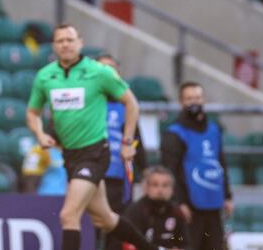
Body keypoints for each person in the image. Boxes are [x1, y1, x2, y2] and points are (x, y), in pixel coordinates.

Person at [26, 24, 156, 250]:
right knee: (104, 219)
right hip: (71, 155)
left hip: (95, 152)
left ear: (80, 43)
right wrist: (40, 133)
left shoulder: (99, 72)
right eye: (60, 41)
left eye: (70, 39)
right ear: (54, 45)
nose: (65, 44)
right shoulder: (45, 76)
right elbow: (32, 112)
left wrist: (127, 143)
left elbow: (131, 103)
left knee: (69, 215)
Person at [161, 81, 232, 250]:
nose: (194, 102)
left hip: (214, 204)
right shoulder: (175, 133)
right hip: (190, 208)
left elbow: (220, 163)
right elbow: (170, 170)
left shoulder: (214, 130)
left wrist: (228, 196)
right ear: (181, 103)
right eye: (189, 98)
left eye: (198, 97)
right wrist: (179, 202)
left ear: (204, 100)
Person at [96, 54, 148, 250]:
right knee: (90, 229)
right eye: (103, 68)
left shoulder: (127, 107)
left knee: (116, 230)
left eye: (112, 69)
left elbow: (137, 141)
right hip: (93, 177)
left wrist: (145, 171)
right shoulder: (87, 105)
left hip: (120, 180)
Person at [122, 166, 188, 250]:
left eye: (165, 185)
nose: (160, 190)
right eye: (155, 185)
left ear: (172, 190)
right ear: (146, 188)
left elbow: (185, 243)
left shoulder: (177, 212)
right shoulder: (135, 212)